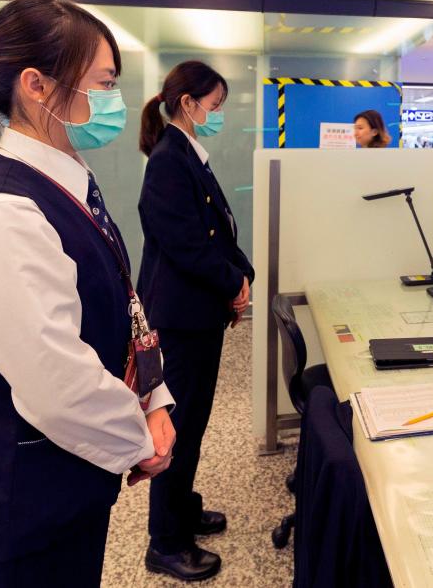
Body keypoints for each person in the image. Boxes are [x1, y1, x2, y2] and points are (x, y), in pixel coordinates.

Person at [0, 0, 175, 587]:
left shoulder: (63, 181)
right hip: (8, 530)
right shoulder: (5, 214)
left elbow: (120, 302)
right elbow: (59, 383)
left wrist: (154, 397)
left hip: (62, 501)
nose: (114, 101)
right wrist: (142, 439)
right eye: (103, 84)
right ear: (36, 84)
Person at [138, 61, 255, 581]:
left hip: (197, 314)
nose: (218, 115)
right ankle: (165, 541)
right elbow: (187, 244)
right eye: (215, 106)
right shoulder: (168, 160)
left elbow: (218, 231)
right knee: (178, 428)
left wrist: (241, 275)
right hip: (181, 320)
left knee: (194, 423)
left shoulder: (187, 155)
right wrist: (233, 284)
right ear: (188, 103)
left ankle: (182, 511)